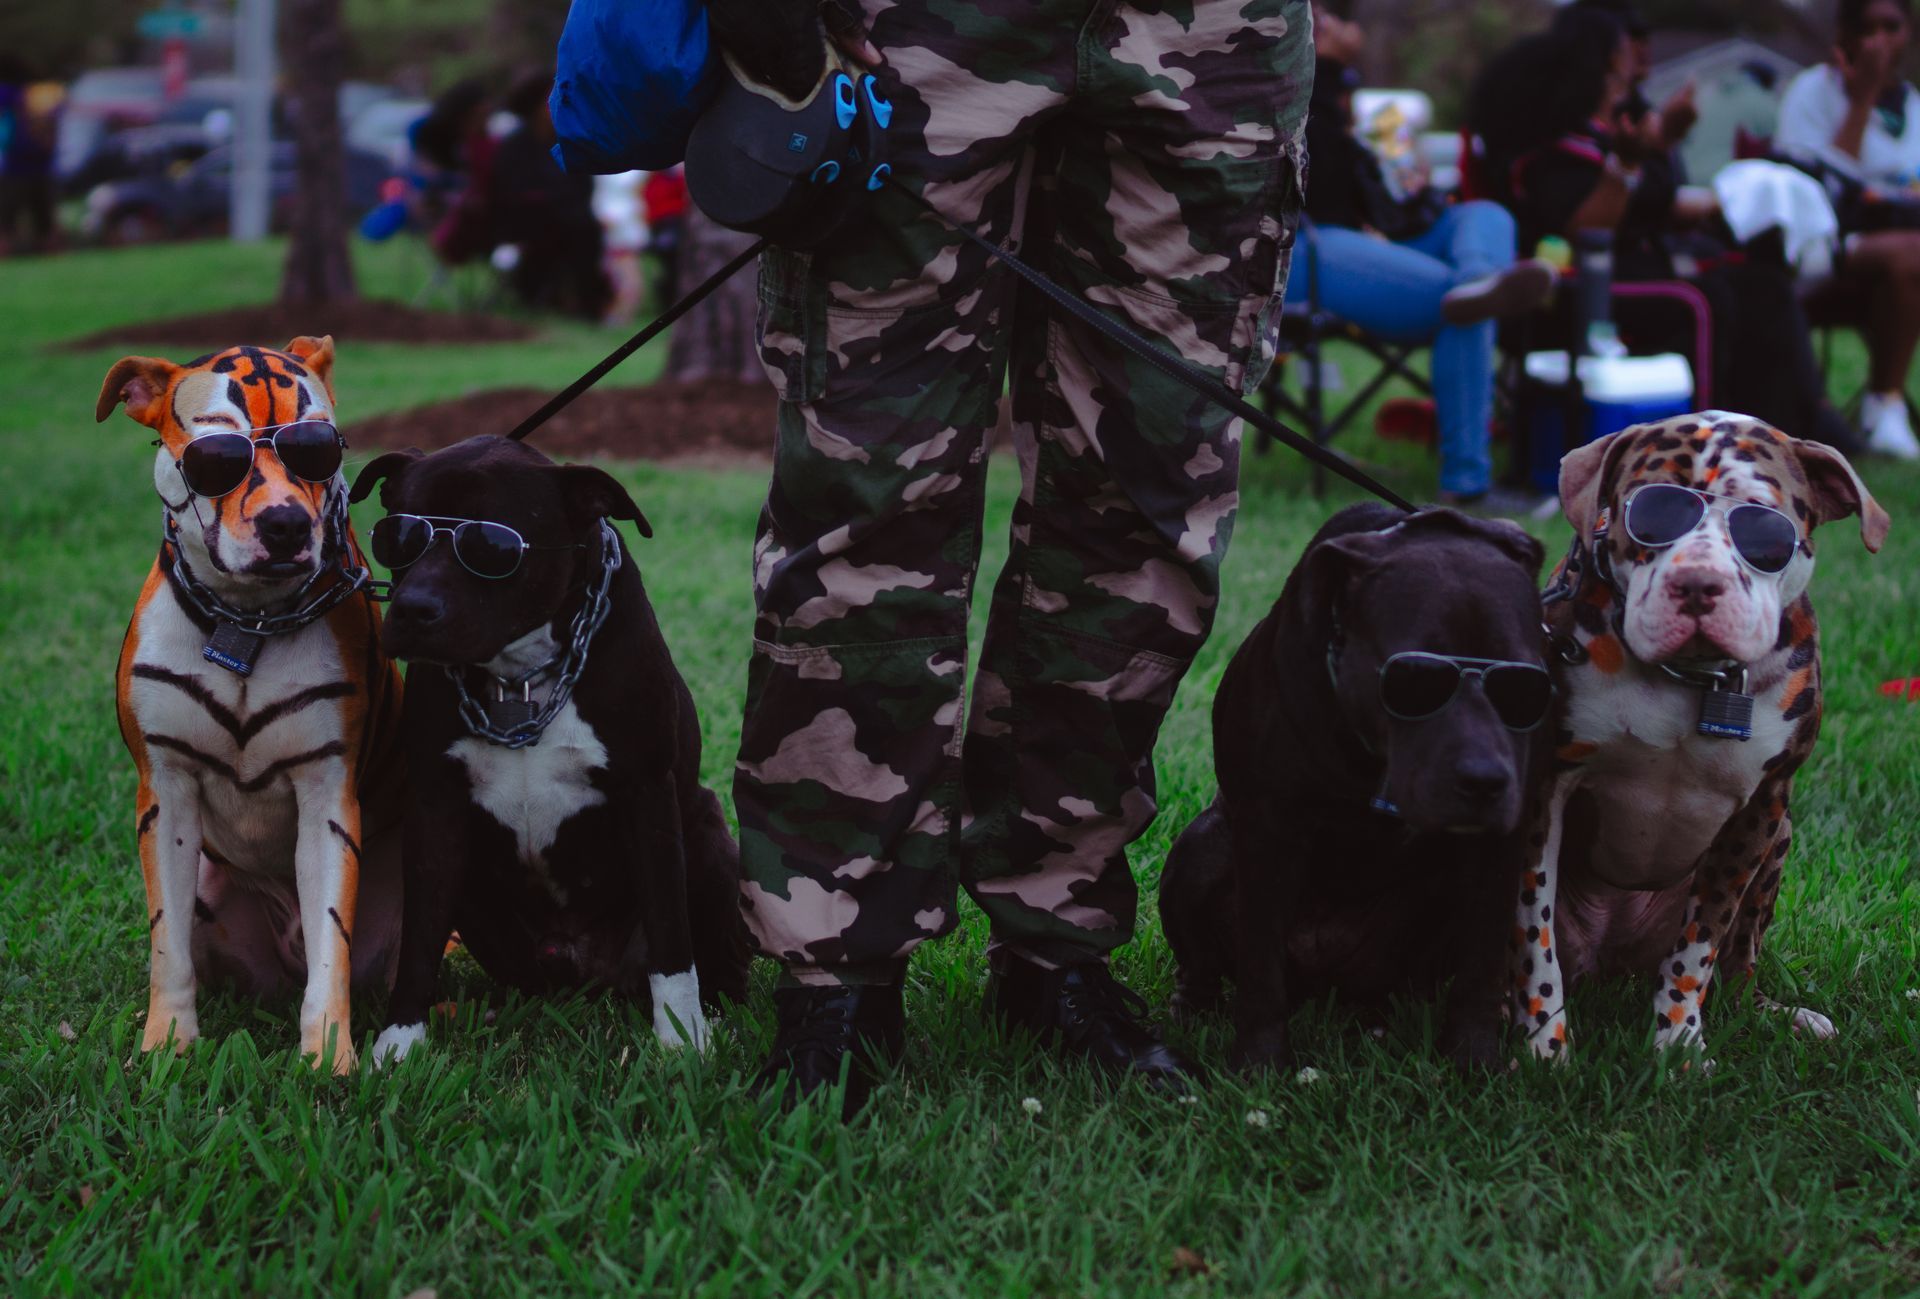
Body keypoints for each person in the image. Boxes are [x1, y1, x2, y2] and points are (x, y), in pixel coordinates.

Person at [706, 0, 1312, 1110]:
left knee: (1145, 510)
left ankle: (1057, 945)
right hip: (919, 23)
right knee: (866, 503)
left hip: (1212, 37)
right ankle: (836, 968)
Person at [1472, 8, 1850, 452]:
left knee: (1761, 285)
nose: (1636, 64)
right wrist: (1628, 163)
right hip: (1571, 286)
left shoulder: (1611, 131)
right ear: (1603, 64)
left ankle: (1786, 432)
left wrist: (1660, 143)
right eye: (1625, 55)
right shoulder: (1553, 144)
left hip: (1630, 267)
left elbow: (1654, 200)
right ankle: (1708, 448)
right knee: (1701, 298)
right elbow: (1586, 232)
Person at [1289, 5, 1552, 510]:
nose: (1322, 22)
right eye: (1314, 13)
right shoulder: (1280, 77)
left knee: (1486, 215)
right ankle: (1466, 483)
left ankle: (1477, 281)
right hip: (1306, 247)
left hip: (1370, 243)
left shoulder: (1355, 103)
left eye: (1332, 16)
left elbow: (1379, 199)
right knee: (1457, 302)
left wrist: (1405, 183)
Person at [1775, 0, 1920, 459]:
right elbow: (1809, 192)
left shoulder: (1914, 106)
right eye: (1867, 27)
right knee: (1910, 254)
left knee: (1909, 259)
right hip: (1819, 248)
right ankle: (1885, 404)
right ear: (1845, 35)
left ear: (1909, 32)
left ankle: (1887, 404)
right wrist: (1861, 99)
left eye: (1891, 26)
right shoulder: (1812, 92)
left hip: (1898, 254)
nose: (1878, 40)